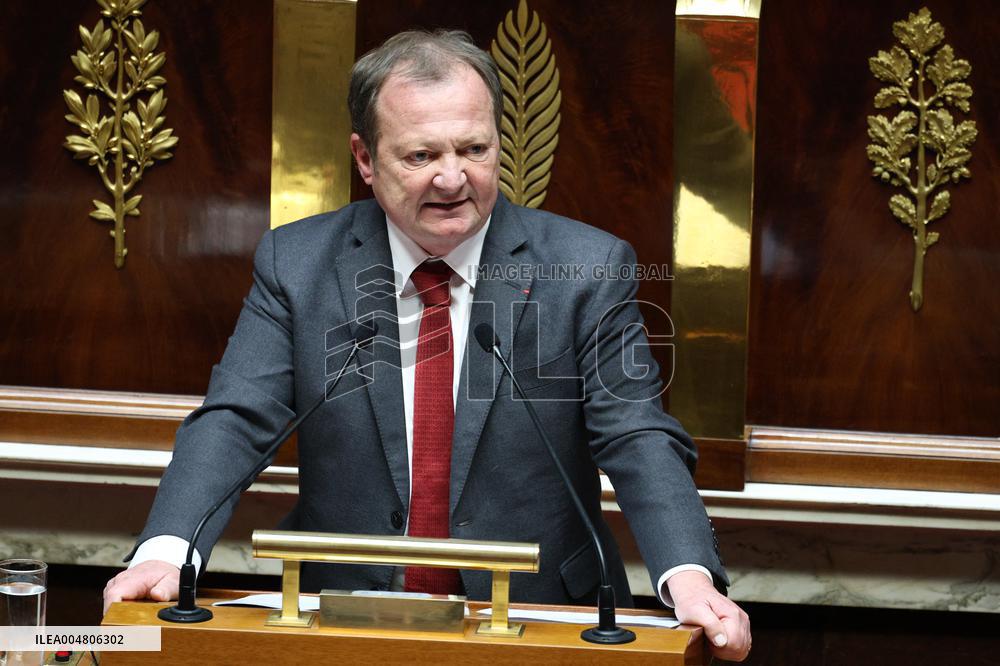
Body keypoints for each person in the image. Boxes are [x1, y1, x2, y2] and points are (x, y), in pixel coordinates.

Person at [103, 30, 750, 661]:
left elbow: (636, 434)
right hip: (336, 624)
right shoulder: (297, 264)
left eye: (474, 149)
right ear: (364, 158)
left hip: (540, 623)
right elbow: (237, 418)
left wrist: (687, 574)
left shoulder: (586, 269)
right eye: (421, 156)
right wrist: (167, 551)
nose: (452, 178)